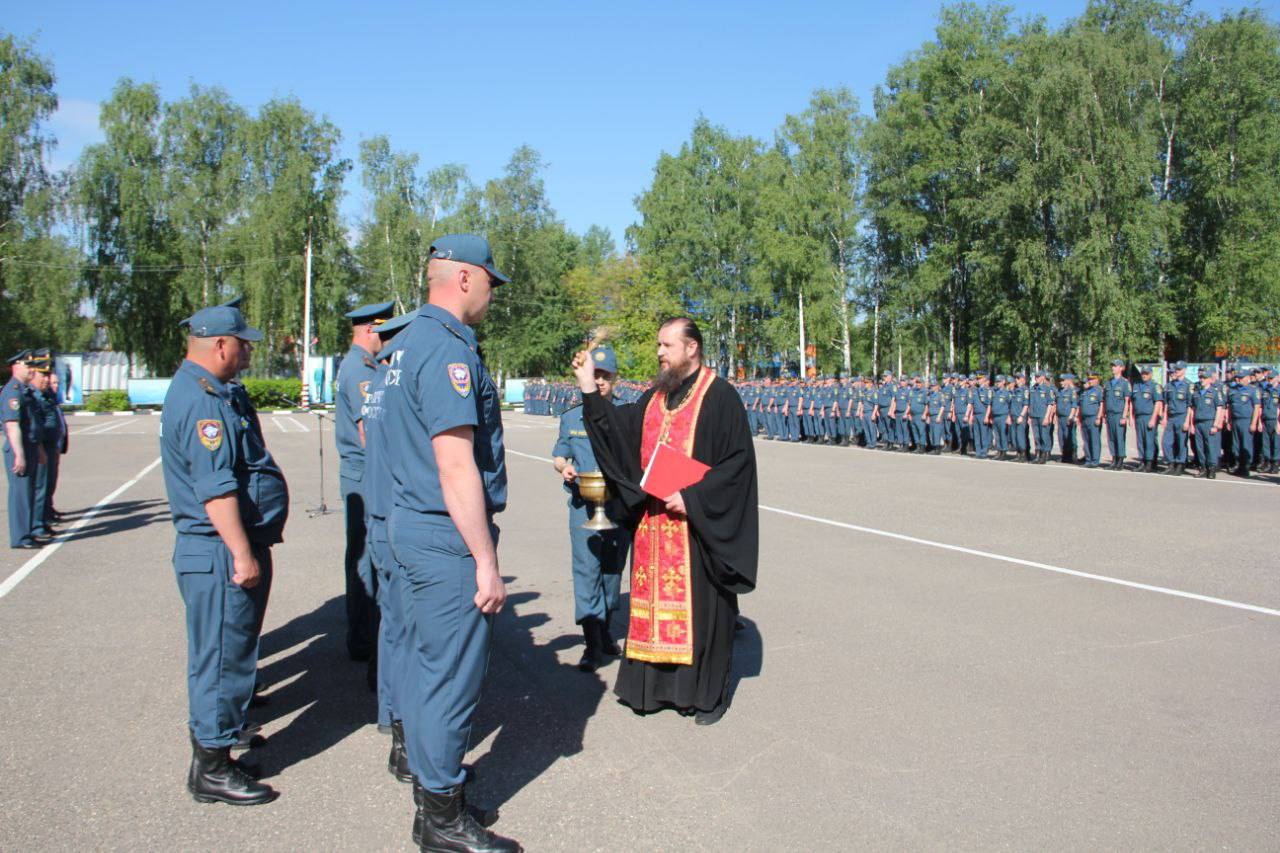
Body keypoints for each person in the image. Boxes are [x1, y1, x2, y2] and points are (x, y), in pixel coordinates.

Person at [380, 234, 520, 853]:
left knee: (421, 664)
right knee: (449, 677)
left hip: (409, 523)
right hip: (444, 536)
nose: (492, 291)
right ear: (463, 278)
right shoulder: (445, 350)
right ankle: (440, 818)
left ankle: (435, 800)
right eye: (489, 279)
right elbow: (456, 465)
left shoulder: (404, 344)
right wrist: (485, 562)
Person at [573, 316, 759, 726]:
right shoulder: (655, 398)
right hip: (653, 525)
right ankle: (654, 691)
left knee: (700, 612)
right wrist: (589, 385)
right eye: (659, 345)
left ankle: (706, 696)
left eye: (666, 346)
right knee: (652, 606)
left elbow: (737, 467)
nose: (659, 352)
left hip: (696, 529)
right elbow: (620, 435)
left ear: (692, 348)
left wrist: (691, 497)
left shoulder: (720, 396)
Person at [158, 304, 288, 805]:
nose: (247, 351)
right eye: (242, 343)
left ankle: (219, 743)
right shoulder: (203, 401)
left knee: (227, 653)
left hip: (216, 548)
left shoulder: (201, 390)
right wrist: (241, 553)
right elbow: (216, 490)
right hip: (216, 551)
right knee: (221, 658)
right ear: (218, 345)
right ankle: (211, 768)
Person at [359, 311, 416, 782]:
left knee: (393, 630)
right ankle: (407, 740)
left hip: (380, 517)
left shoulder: (378, 384)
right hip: (398, 521)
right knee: (409, 637)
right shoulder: (398, 386)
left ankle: (392, 721)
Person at [552, 345, 632, 672]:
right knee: (586, 571)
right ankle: (591, 644)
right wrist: (563, 467)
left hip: (617, 507)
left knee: (612, 572)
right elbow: (560, 453)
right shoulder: (571, 416)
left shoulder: (626, 414)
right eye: (594, 374)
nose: (599, 381)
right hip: (583, 505)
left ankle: (606, 631)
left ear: (615, 378)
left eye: (605, 375)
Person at [336, 300, 396, 665]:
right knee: (364, 558)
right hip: (364, 475)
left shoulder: (364, 366)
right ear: (370, 329)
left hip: (360, 474)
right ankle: (363, 639)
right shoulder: (359, 371)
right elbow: (367, 430)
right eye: (384, 331)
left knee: (364, 555)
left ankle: (363, 636)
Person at [2, 350, 44, 549]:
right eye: (28, 366)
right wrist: (19, 454)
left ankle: (26, 533)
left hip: (30, 446)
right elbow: (12, 425)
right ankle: (20, 537)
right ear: (16, 366)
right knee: (20, 494)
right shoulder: (13, 391)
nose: (31, 370)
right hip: (20, 448)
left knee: (28, 492)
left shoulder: (24, 390)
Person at [1186, 367, 1226, 479]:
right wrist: (1192, 424)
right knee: (1200, 447)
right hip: (1198, 423)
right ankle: (1202, 467)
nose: (1202, 379)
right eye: (1200, 377)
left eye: (1204, 378)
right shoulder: (1196, 392)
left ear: (1210, 379)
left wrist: (1216, 425)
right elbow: (1192, 409)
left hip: (1210, 422)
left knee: (1211, 447)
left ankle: (1212, 468)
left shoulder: (1215, 392)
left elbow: (1219, 409)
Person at [1225, 366, 1261, 477]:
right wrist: (1229, 420)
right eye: (1237, 377)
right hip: (1235, 420)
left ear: (1247, 378)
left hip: (1246, 421)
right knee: (1236, 445)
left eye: (1241, 378)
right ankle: (1238, 465)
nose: (1238, 380)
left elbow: (1257, 407)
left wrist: (1254, 423)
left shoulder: (1253, 390)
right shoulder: (1232, 390)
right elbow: (1230, 406)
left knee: (1246, 444)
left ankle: (1245, 467)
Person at [1131, 366, 1164, 473]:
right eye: (1143, 373)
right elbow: (1132, 402)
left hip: (1149, 416)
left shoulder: (1155, 386)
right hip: (1139, 417)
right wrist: (1131, 417)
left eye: (1146, 373)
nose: (1144, 375)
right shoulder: (1136, 385)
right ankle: (1142, 462)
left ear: (1150, 374)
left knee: (1149, 441)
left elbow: (1158, 403)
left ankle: (1150, 463)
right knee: (1140, 440)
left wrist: (1153, 418)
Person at [45, 371, 68, 520]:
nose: (56, 386)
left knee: (52, 480)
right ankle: (45, 514)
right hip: (46, 447)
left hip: (56, 446)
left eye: (57, 383)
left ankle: (49, 508)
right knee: (45, 482)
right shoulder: (44, 399)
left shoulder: (53, 399)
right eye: (53, 383)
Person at [1161, 361, 1191, 476]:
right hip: (1171, 417)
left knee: (1181, 442)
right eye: (1175, 369)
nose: (1176, 371)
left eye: (1178, 369)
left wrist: (1187, 420)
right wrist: (1164, 417)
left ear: (1184, 370)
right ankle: (1170, 463)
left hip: (1182, 416)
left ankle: (1180, 464)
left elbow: (1190, 405)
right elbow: (1166, 402)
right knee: (1166, 442)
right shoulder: (1169, 385)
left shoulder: (1188, 385)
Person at [1104, 360, 1132, 470]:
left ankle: (1120, 461)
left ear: (1121, 368)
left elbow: (1127, 401)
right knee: (1111, 438)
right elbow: (1105, 399)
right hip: (1110, 414)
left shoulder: (1124, 383)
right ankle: (1114, 459)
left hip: (1119, 414)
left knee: (1119, 438)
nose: (1113, 368)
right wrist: (1104, 414)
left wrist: (1124, 416)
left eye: (1115, 366)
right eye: (1112, 366)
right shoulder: (1108, 382)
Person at [1079, 374, 1105, 468]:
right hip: (1085, 418)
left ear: (1097, 380)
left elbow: (1102, 404)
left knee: (1094, 440)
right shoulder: (1085, 392)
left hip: (1094, 418)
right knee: (1086, 440)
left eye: (1092, 379)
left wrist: (1099, 417)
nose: (1090, 381)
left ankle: (1095, 461)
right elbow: (1081, 406)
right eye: (1089, 379)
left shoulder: (1098, 391)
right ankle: (1088, 459)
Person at [1056, 374, 1080, 464]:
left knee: (1069, 437)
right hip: (1060, 417)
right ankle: (1064, 455)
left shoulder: (1072, 392)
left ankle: (1072, 455)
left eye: (1063, 380)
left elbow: (1074, 405)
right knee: (1061, 437)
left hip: (1068, 417)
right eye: (1060, 381)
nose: (1061, 382)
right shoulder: (1060, 391)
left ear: (1067, 380)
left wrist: (1071, 417)